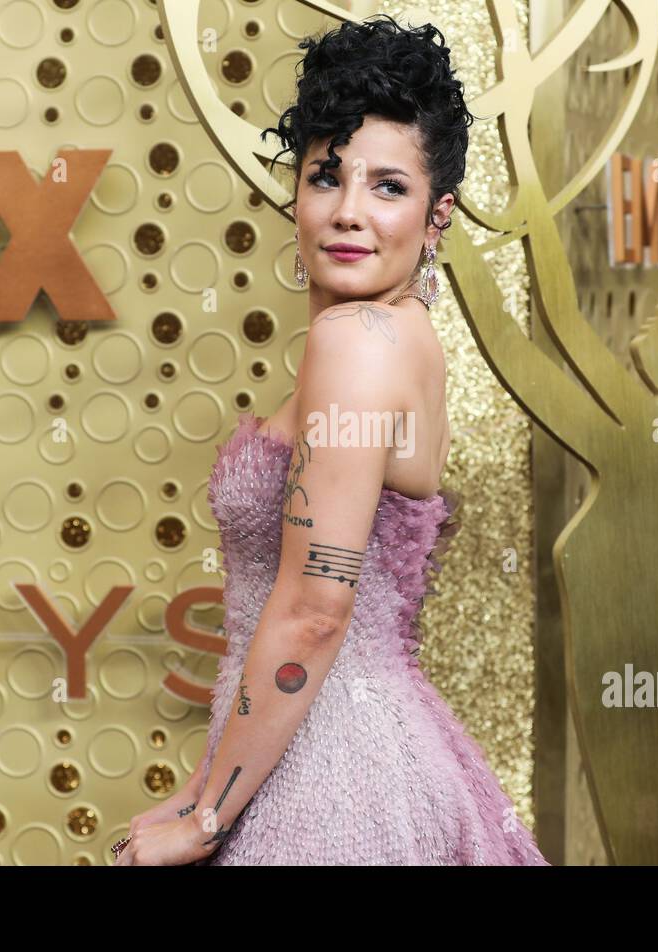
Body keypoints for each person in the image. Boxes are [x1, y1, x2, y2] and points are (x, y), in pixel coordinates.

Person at [115, 13, 548, 866]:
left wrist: (207, 823)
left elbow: (315, 612)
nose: (349, 212)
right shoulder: (407, 334)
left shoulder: (354, 344)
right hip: (354, 751)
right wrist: (210, 789)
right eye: (326, 176)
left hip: (333, 783)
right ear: (297, 193)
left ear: (437, 214)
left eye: (389, 186)